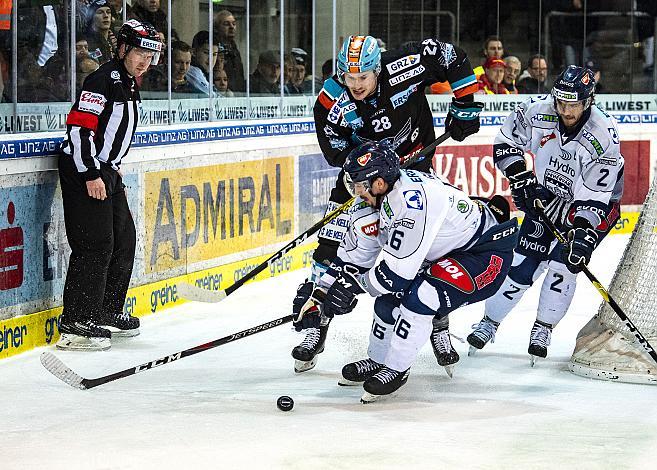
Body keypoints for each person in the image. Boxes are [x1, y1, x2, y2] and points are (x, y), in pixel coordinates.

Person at [291, 34, 484, 374]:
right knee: (333, 244)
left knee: (425, 250)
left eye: (362, 77)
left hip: (415, 171)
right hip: (364, 178)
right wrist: (371, 165)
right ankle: (317, 320)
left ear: (377, 69)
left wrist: (465, 106)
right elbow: (335, 151)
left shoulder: (403, 65)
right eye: (349, 78)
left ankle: (438, 323)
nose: (356, 85)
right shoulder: (330, 101)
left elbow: (453, 56)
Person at [292, 140, 519, 402]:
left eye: (358, 184)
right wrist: (319, 294)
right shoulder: (373, 203)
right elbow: (352, 262)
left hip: (484, 255)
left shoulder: (413, 204)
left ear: (378, 183)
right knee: (388, 302)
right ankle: (378, 360)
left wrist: (351, 289)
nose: (354, 192)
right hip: (443, 254)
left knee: (420, 297)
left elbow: (395, 275)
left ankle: (397, 369)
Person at [467, 65, 624, 364]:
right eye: (561, 102)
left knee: (565, 264)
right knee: (522, 264)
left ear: (588, 100)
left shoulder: (604, 135)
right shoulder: (538, 112)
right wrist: (520, 177)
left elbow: (594, 196)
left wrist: (582, 234)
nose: (565, 110)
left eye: (573, 104)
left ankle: (543, 327)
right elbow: (505, 142)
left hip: (595, 204)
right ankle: (489, 322)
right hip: (550, 194)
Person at [57, 19, 162, 351]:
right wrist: (90, 173)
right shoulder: (102, 79)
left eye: (150, 54)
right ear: (123, 50)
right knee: (95, 244)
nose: (145, 60)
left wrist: (110, 172)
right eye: (140, 53)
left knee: (124, 240)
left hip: (108, 171)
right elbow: (79, 130)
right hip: (85, 169)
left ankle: (105, 310)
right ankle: (75, 321)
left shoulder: (129, 81)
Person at [214, 9, 245, 93]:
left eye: (234, 24)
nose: (232, 27)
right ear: (216, 28)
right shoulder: (214, 51)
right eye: (226, 24)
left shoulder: (234, 50)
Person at [186, 30, 219, 95]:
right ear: (194, 52)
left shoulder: (207, 73)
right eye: (206, 53)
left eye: (214, 54)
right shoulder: (192, 71)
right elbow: (212, 96)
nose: (211, 59)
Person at [85, 0, 117, 65]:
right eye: (100, 12)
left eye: (108, 12)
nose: (106, 16)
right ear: (92, 17)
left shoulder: (116, 38)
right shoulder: (86, 42)